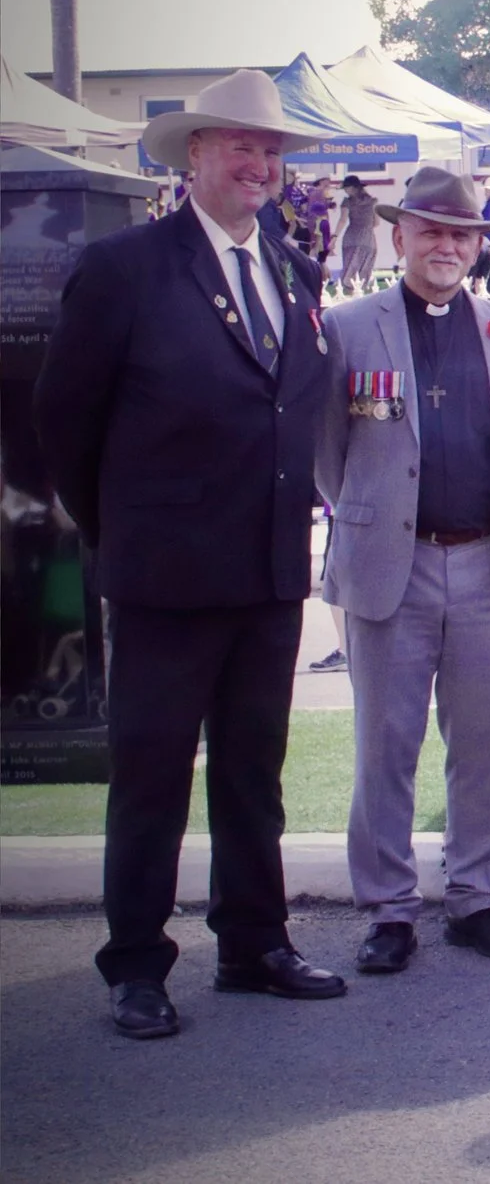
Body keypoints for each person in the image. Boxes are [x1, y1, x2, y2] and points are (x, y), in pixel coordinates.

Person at [34, 68, 345, 1039]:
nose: (260, 163)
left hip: (266, 573)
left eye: (272, 149)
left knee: (254, 767)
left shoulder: (293, 270)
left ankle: (255, 940)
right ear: (194, 154)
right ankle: (136, 962)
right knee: (153, 771)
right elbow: (64, 424)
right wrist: (124, 528)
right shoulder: (126, 267)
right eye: (239, 144)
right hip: (165, 576)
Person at [315, 167, 490, 975]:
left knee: (478, 743)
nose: (447, 246)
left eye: (462, 234)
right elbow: (325, 454)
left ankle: (477, 895)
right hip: (392, 565)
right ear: (400, 234)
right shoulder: (348, 326)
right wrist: (375, 520)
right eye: (432, 230)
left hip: (486, 559)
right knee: (386, 740)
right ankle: (388, 906)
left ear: (479, 244)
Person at [337, 175, 381, 289]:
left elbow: (342, 220)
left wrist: (334, 236)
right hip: (368, 238)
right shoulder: (373, 201)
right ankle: (358, 294)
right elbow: (376, 223)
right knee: (364, 269)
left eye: (346, 188)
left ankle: (351, 296)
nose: (345, 191)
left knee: (349, 268)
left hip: (352, 237)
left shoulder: (347, 202)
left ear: (353, 188)